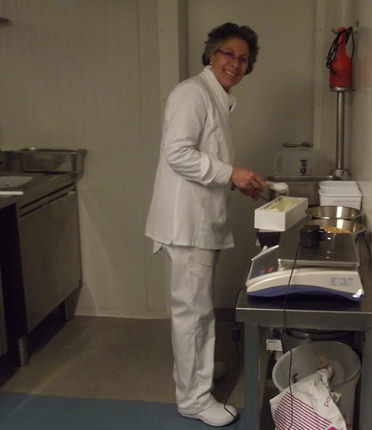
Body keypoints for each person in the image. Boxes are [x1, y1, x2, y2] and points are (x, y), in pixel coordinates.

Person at [145, 23, 268, 427]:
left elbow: (206, 160)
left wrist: (238, 181)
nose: (236, 63)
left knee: (197, 308)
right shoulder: (192, 93)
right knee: (193, 313)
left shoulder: (216, 98)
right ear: (212, 54)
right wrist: (231, 173)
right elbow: (178, 154)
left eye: (244, 59)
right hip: (186, 223)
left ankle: (197, 373)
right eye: (228, 53)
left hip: (199, 221)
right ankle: (194, 399)